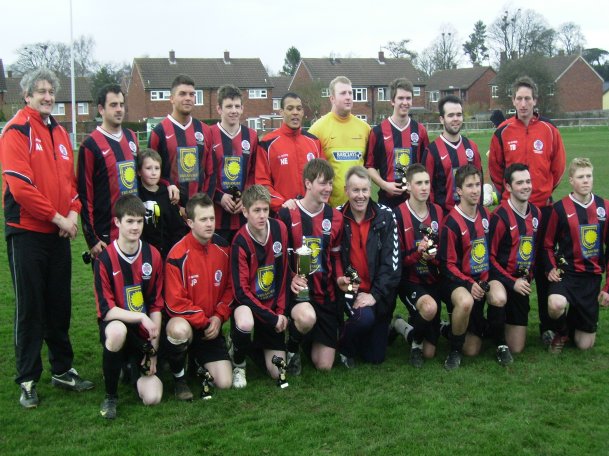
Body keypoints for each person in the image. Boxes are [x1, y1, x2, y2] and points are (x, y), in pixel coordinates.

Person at [0, 68, 93, 408]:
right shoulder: (15, 131)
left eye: (51, 91)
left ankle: (63, 368)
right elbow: (21, 188)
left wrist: (72, 214)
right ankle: (27, 378)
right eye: (40, 91)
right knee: (30, 307)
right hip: (27, 233)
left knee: (59, 305)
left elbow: (70, 184)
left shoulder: (58, 132)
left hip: (58, 233)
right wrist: (57, 217)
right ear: (26, 96)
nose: (47, 96)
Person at [488, 76, 567, 345]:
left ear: (535, 101)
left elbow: (558, 168)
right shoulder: (502, 131)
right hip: (511, 211)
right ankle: (506, 318)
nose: (523, 103)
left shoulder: (549, 130)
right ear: (513, 101)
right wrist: (508, 195)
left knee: (545, 267)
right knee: (510, 263)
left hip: (543, 210)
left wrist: (541, 192)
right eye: (519, 99)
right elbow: (496, 170)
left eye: (528, 99)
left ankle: (548, 326)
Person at [94, 195, 164, 419]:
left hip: (143, 337)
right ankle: (111, 396)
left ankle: (127, 368)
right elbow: (107, 310)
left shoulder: (152, 255)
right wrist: (140, 317)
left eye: (139, 221)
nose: (135, 227)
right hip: (118, 327)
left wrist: (153, 351)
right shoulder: (104, 259)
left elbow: (155, 305)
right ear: (117, 223)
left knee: (152, 398)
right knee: (116, 331)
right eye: (130, 221)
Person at [278, 158, 346, 373]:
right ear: (308, 183)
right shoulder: (287, 214)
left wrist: (340, 278)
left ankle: (304, 336)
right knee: (306, 317)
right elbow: (278, 258)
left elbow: (335, 257)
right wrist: (291, 278)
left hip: (325, 296)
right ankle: (292, 347)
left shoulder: (335, 217)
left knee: (324, 366)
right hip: (298, 295)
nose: (328, 188)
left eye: (330, 183)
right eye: (323, 183)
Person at [438, 165, 508, 370]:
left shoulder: (487, 216)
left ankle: (501, 343)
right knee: (471, 348)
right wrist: (469, 283)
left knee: (499, 297)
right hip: (457, 281)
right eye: (469, 186)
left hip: (483, 279)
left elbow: (490, 254)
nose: (475, 190)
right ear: (459, 191)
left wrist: (486, 281)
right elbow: (447, 265)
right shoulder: (451, 223)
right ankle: (455, 349)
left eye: (478, 185)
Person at [163, 193, 233, 400]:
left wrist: (219, 317)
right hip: (189, 324)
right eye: (203, 219)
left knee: (225, 383)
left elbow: (230, 289)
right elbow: (175, 303)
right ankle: (179, 379)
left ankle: (196, 360)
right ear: (190, 222)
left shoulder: (224, 248)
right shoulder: (176, 255)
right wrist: (204, 321)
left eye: (212, 218)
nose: (210, 224)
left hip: (211, 326)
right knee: (178, 330)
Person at [543, 158, 609, 353]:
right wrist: (550, 268)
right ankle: (561, 332)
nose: (586, 180)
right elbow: (547, 245)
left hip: (591, 278)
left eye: (589, 176)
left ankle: (574, 322)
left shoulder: (604, 207)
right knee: (555, 304)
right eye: (581, 177)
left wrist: (607, 287)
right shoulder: (560, 209)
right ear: (571, 180)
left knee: (584, 345)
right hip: (567, 274)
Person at [336, 166, 400, 367]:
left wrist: (374, 295)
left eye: (364, 190)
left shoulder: (386, 215)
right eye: (355, 190)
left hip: (378, 294)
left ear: (371, 189)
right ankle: (343, 348)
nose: (360, 196)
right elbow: (331, 257)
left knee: (375, 357)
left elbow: (393, 264)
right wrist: (341, 280)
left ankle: (374, 330)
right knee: (363, 319)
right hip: (349, 290)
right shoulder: (336, 217)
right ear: (346, 190)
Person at [229, 185, 290, 387]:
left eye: (265, 210)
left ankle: (253, 347)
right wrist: (271, 317)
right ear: (245, 212)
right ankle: (238, 364)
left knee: (276, 372)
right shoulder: (239, 242)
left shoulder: (280, 229)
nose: (262, 215)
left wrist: (280, 312)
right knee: (245, 322)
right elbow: (241, 293)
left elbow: (282, 275)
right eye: (256, 210)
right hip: (250, 306)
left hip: (272, 307)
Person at [78, 84, 139, 259]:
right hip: (105, 236)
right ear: (100, 109)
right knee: (108, 285)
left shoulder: (131, 137)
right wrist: (92, 239)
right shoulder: (90, 145)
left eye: (121, 104)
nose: (119, 109)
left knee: (133, 285)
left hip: (133, 231)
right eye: (113, 105)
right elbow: (85, 195)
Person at [392, 164, 444, 367]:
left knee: (430, 353)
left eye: (427, 183)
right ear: (408, 187)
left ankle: (401, 326)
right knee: (429, 308)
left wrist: (434, 256)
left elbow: (444, 253)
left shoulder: (438, 212)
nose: (424, 187)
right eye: (419, 183)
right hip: (410, 280)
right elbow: (397, 261)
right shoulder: (397, 214)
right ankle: (415, 344)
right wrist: (417, 253)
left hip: (433, 280)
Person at [489, 163, 541, 355]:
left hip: (522, 283)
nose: (526, 186)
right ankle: (499, 342)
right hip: (500, 280)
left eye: (528, 181)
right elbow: (488, 259)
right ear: (509, 187)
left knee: (517, 348)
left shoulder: (536, 214)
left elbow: (537, 251)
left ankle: (490, 328)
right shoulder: (500, 217)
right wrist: (512, 282)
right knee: (499, 297)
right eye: (520, 183)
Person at [148, 74, 213, 207]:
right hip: (170, 209)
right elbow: (150, 175)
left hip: (199, 210)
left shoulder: (204, 130)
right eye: (182, 94)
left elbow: (211, 172)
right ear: (171, 98)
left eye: (191, 94)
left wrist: (204, 203)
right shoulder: (159, 132)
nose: (188, 98)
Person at [366, 78, 429, 208]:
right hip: (388, 200)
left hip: (414, 200)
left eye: (408, 98)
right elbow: (369, 166)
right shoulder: (378, 132)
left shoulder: (420, 131)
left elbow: (427, 165)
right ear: (392, 101)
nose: (405, 102)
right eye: (401, 98)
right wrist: (385, 185)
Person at [309, 76, 371, 207]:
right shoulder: (317, 129)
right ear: (332, 98)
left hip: (359, 206)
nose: (348, 97)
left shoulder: (365, 128)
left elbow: (370, 165)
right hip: (330, 208)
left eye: (350, 93)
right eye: (343, 93)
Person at [256, 92, 323, 213]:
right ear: (281, 112)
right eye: (290, 108)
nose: (295, 112)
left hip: (312, 213)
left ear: (302, 112)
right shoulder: (267, 143)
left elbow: (323, 178)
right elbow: (262, 182)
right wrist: (282, 204)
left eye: (299, 108)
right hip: (282, 213)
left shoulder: (314, 142)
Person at [209, 84, 258, 241]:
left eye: (237, 106)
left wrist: (245, 196)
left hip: (243, 214)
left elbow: (254, 172)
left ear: (243, 108)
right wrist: (219, 197)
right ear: (219, 109)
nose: (233, 110)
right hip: (216, 215)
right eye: (228, 106)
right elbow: (204, 173)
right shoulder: (208, 134)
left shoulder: (252, 136)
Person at [422, 95, 482, 214]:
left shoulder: (472, 147)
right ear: (441, 119)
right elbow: (428, 189)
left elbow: (480, 181)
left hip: (470, 215)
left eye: (459, 115)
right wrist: (434, 216)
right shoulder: (432, 151)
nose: (455, 119)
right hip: (444, 217)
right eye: (450, 115)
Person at [137, 148, 188, 259]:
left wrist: (175, 251)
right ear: (139, 171)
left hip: (167, 253)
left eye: (157, 168)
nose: (153, 172)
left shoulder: (168, 194)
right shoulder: (136, 196)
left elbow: (177, 227)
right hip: (144, 254)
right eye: (148, 168)